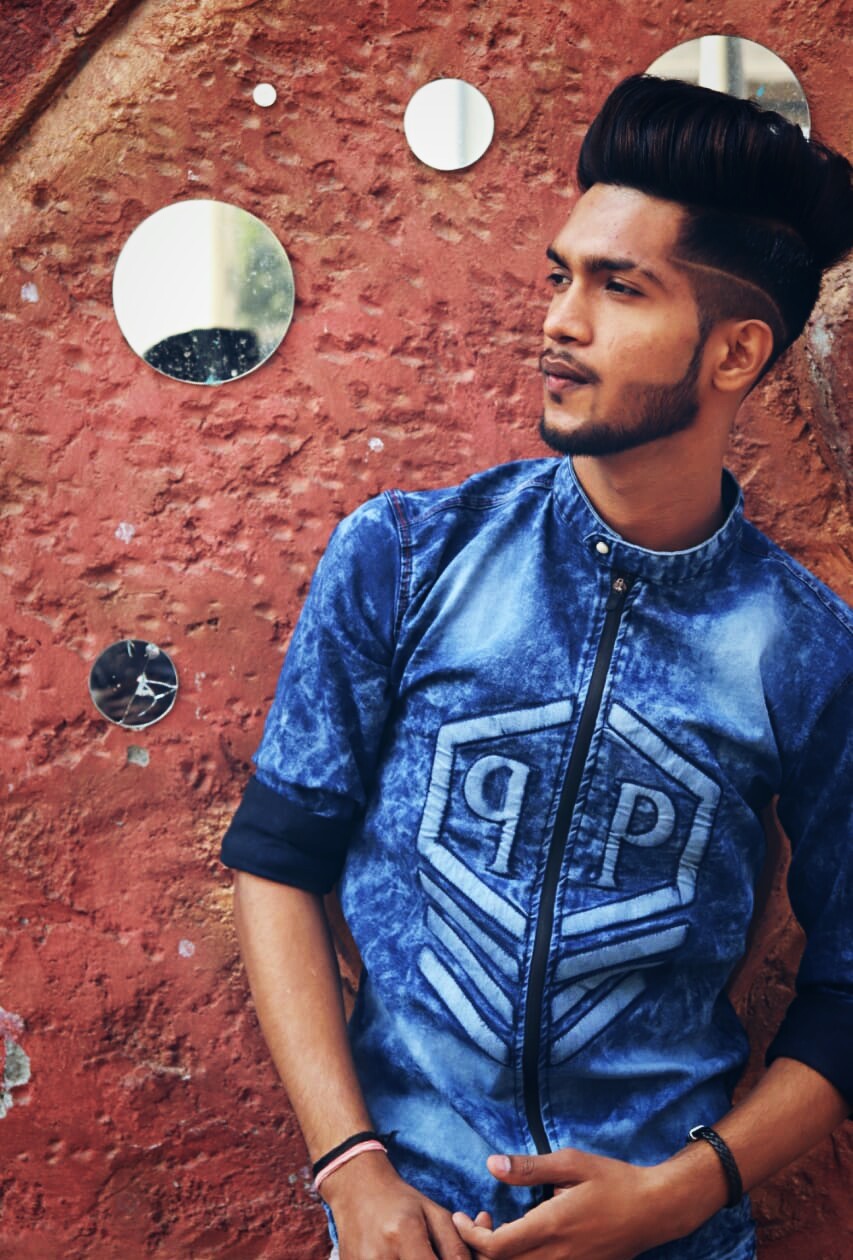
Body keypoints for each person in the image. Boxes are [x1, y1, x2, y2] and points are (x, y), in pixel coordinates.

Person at [221, 75, 853, 1260]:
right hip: (413, 1228)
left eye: (620, 287)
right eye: (561, 276)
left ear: (735, 352)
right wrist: (353, 1172)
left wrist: (682, 1194)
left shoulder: (806, 650)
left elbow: (849, 987)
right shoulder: (409, 556)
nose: (560, 319)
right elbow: (276, 862)